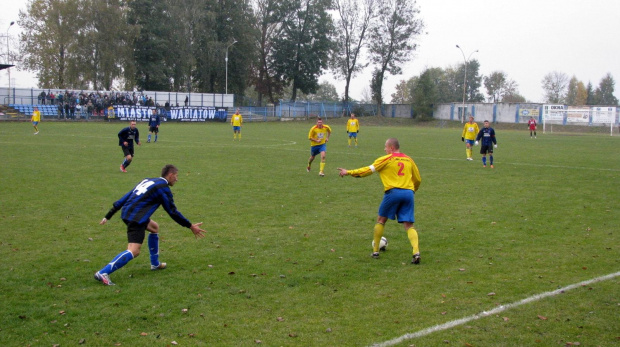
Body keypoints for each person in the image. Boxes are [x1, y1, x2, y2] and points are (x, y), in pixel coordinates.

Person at [95, 164, 207, 286]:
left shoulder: (148, 180)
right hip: (136, 218)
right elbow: (172, 211)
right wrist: (190, 226)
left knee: (154, 227)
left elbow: (127, 195)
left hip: (128, 212)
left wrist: (108, 215)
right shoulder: (163, 188)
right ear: (170, 175)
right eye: (176, 176)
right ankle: (103, 272)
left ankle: (155, 263)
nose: (177, 179)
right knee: (134, 251)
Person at [337, 138, 422, 264]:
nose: (384, 149)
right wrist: (412, 191)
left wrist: (349, 172)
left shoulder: (386, 159)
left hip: (393, 193)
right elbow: (418, 179)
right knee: (409, 225)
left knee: (381, 220)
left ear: (391, 148)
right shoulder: (409, 159)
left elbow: (367, 170)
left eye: (385, 147)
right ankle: (416, 252)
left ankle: (375, 251)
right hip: (409, 193)